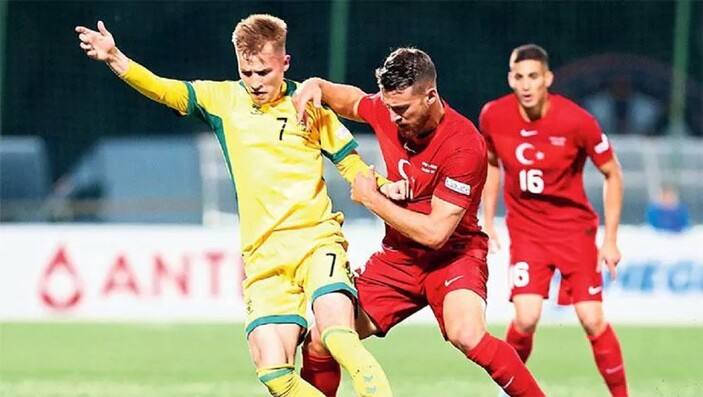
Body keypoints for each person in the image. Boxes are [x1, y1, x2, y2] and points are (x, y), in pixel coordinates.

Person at [75, 15, 395, 397]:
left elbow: (351, 163)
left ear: (285, 63)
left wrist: (385, 187)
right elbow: (164, 89)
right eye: (247, 72)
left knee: (338, 334)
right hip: (263, 258)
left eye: (264, 71)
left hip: (316, 241)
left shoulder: (309, 107)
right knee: (274, 373)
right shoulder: (223, 100)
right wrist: (115, 58)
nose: (256, 81)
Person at [292, 48, 544, 397]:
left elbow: (436, 233)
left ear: (431, 96)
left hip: (454, 255)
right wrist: (316, 84)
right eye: (389, 107)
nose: (393, 118)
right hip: (399, 258)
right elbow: (352, 101)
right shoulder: (388, 108)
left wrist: (372, 199)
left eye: (402, 109)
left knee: (467, 334)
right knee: (322, 338)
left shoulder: (464, 144)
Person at [479, 44, 628, 396]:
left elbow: (613, 174)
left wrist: (610, 239)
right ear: (510, 79)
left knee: (592, 319)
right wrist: (487, 218)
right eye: (519, 77)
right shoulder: (493, 116)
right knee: (526, 317)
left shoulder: (576, 120)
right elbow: (490, 163)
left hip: (574, 231)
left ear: (548, 78)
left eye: (534, 77)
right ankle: (507, 391)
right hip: (527, 232)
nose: (527, 85)